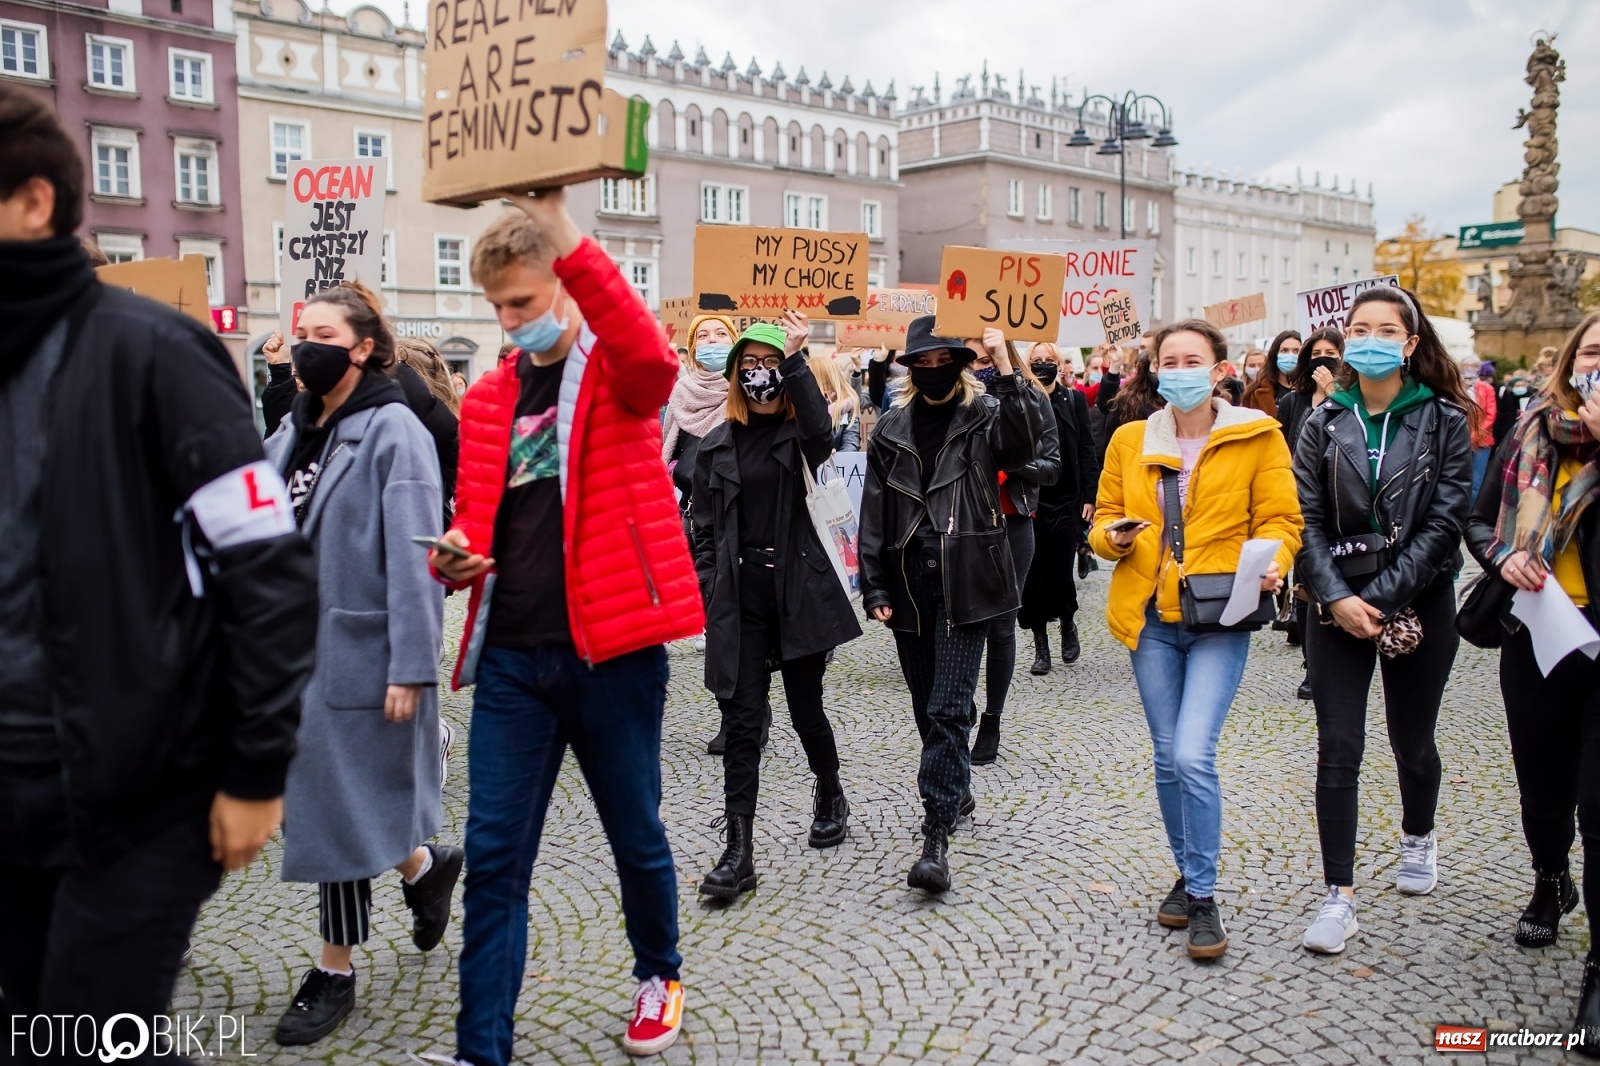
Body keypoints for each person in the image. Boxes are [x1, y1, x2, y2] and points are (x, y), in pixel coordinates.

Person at [0, 84, 317, 1046]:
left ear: (33, 201)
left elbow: (266, 570)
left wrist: (256, 771)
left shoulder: (154, 354)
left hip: (131, 800)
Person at [421, 190, 704, 1065]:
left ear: (566, 289)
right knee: (496, 859)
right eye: (498, 307)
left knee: (637, 833)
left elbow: (654, 359)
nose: (511, 324)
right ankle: (481, 1051)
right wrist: (454, 556)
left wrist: (563, 228)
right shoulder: (485, 401)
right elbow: (474, 517)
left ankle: (659, 972)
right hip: (511, 659)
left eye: (525, 303)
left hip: (612, 654)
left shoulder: (617, 372)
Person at [261, 282, 461, 1045]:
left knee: (333, 808)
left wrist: (412, 665)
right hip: (288, 653)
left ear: (363, 346)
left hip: (358, 650)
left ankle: (333, 969)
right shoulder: (295, 429)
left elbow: (419, 556)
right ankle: (422, 866)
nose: (304, 342)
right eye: (300, 329)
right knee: (321, 798)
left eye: (321, 332)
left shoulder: (393, 430)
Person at [1089, 318, 1302, 961]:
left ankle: (1203, 895)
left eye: (1193, 359)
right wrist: (1115, 539)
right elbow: (1098, 524)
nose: (1180, 369)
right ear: (1155, 369)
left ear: (1217, 369)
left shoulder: (1258, 434)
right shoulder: (1130, 440)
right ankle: (1187, 874)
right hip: (1149, 617)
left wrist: (1278, 560)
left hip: (1220, 615)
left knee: (1191, 755)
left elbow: (1282, 519)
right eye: (1169, 359)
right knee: (1164, 756)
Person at [1294, 286, 1474, 955]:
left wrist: (1388, 594)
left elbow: (1445, 519)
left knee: (1412, 741)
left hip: (1420, 601)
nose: (1370, 338)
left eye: (1385, 328)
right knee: (1338, 744)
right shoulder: (1323, 420)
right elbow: (1303, 517)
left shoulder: (1445, 419)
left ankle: (1418, 835)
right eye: (1358, 328)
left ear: (1410, 342)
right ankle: (1337, 896)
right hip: (1334, 601)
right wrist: (1337, 597)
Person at [858, 317, 1038, 894]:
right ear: (909, 369)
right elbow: (874, 510)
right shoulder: (888, 427)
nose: (934, 372)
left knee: (948, 707)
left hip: (970, 577)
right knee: (924, 702)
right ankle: (955, 789)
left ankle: (935, 836)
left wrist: (1006, 367)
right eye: (923, 363)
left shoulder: (985, 415)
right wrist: (876, 585)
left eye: (944, 362)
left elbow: (1025, 443)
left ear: (960, 364)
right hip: (910, 581)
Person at [690, 313, 863, 900]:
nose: (759, 375)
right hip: (741, 601)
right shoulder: (715, 446)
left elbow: (820, 427)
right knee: (741, 724)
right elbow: (705, 530)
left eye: (768, 365)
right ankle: (738, 851)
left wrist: (794, 358)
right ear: (737, 377)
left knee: (804, 705)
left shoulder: (800, 435)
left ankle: (829, 789)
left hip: (799, 592)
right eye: (751, 366)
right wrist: (712, 584)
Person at [1465, 314, 1600, 1047]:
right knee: (1543, 788)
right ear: (1573, 361)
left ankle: (1598, 973)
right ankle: (1551, 877)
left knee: (1598, 806)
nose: (1599, 364)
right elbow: (1480, 522)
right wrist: (1501, 558)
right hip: (1538, 637)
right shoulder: (1535, 431)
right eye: (1594, 351)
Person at [969, 345, 1059, 765]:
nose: (978, 369)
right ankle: (959, 703)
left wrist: (1012, 463)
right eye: (971, 361)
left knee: (1002, 626)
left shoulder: (1033, 396)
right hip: (965, 526)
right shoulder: (954, 399)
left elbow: (1052, 466)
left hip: (1013, 520)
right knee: (962, 619)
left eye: (987, 360)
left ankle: (992, 717)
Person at [1017, 341, 1099, 678]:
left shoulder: (1074, 399)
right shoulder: (1021, 400)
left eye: (1048, 360)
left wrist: (1090, 496)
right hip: (1032, 498)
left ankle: (1067, 621)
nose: (1042, 365)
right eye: (1036, 360)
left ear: (1059, 364)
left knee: (1061, 571)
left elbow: (1085, 447)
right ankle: (1041, 644)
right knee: (1034, 574)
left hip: (1067, 498)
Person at [1275, 328, 1345, 461]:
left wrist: (1332, 391)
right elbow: (1280, 450)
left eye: (1330, 353)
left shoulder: (1352, 400)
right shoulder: (1291, 401)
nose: (1322, 358)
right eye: (1316, 353)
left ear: (1341, 357)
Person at [809, 349, 863, 452]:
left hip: (836, 466)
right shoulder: (802, 407)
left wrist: (838, 458)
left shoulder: (847, 407)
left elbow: (851, 444)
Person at [1462, 356, 1499, 499]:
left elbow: (1491, 413)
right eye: (1466, 364)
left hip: (1482, 440)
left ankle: (1470, 516)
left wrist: (1476, 434)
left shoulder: (1487, 388)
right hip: (1460, 439)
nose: (1470, 368)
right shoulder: (1456, 386)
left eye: (1473, 365)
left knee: (1476, 482)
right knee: (1460, 480)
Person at [1241, 331, 1300, 419]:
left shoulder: (1313, 390)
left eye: (1296, 351)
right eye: (1284, 350)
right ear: (1275, 354)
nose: (1290, 355)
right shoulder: (1255, 391)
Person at [1495, 367, 1538, 447]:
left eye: (1522, 385)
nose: (1520, 387)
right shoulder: (1507, 399)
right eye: (1517, 386)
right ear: (1512, 387)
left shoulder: (1531, 398)